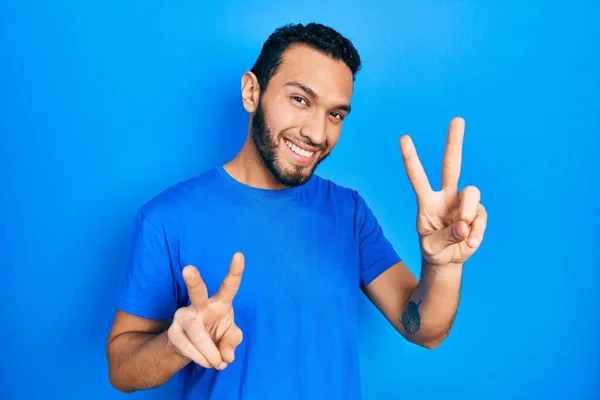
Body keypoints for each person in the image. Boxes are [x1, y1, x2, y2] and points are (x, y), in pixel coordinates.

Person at [106, 22, 487, 400]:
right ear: (252, 91)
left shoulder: (349, 212)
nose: (317, 134)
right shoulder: (166, 219)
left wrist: (443, 265)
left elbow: (424, 330)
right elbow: (121, 370)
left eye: (335, 114)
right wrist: (173, 346)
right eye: (300, 100)